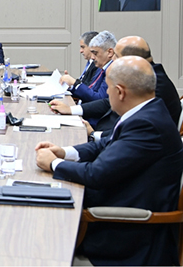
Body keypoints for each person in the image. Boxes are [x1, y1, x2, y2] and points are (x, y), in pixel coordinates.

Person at [36, 56, 183, 266]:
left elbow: (96, 174)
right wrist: (64, 152)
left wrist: (53, 164)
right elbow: (105, 144)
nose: (106, 95)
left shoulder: (147, 125)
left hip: (126, 234)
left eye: (108, 89)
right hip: (120, 204)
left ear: (120, 92)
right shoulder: (146, 111)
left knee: (40, 227)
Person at [50, 36, 181, 141]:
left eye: (116, 56)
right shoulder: (144, 74)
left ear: (130, 59)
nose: (112, 60)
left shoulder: (151, 84)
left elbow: (135, 128)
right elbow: (108, 102)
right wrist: (71, 110)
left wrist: (95, 135)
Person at [68, 30, 116, 103]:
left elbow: (99, 100)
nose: (92, 57)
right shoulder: (101, 68)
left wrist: (75, 83)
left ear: (110, 52)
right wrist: (71, 86)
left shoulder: (112, 71)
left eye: (95, 53)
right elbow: (90, 91)